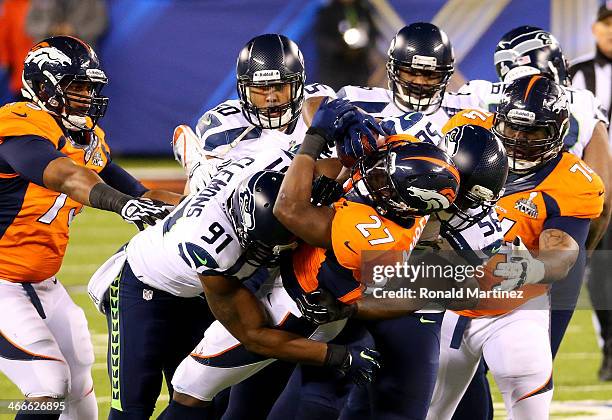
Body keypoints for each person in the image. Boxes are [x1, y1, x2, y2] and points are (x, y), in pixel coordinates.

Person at [0, 35, 179, 420]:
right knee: (47, 385)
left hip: (42, 283)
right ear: (44, 86)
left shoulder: (88, 139)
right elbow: (64, 175)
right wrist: (123, 206)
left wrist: (194, 206)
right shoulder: (18, 123)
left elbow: (139, 191)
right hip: (1, 281)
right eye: (76, 87)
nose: (85, 97)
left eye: (89, 88)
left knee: (79, 377)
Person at [427, 75, 605, 420]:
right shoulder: (466, 134)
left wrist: (529, 268)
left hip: (513, 305)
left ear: (558, 131)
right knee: (427, 410)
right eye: (513, 128)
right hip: (443, 297)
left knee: (528, 395)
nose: (521, 140)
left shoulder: (572, 181)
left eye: (534, 132)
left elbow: (563, 252)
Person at [173, 33, 337, 195]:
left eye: (279, 87)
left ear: (299, 85)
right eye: (261, 89)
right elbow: (194, 202)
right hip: (252, 212)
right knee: (201, 185)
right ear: (245, 91)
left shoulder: (318, 102)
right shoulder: (224, 126)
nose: (271, 98)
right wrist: (200, 175)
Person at [570, 2, 612, 381]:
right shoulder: (575, 74)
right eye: (607, 24)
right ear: (595, 28)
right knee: (602, 271)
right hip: (598, 187)